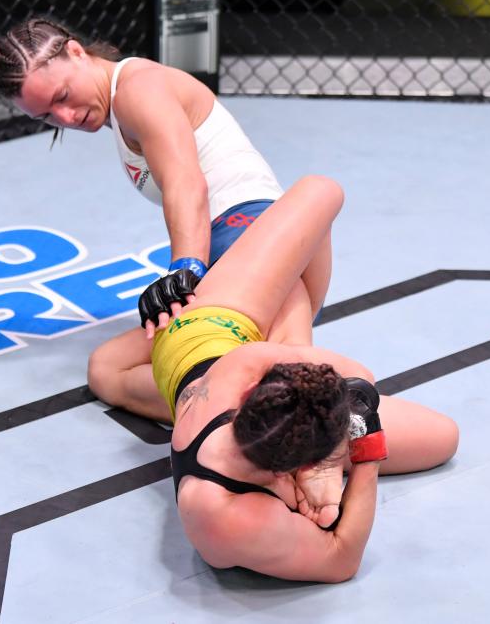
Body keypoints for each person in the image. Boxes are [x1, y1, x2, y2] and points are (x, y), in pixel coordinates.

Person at [0, 18, 328, 424]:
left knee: (291, 374)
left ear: (77, 52)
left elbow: (186, 182)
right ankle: (239, 408)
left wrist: (185, 267)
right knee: (107, 369)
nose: (66, 116)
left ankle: (306, 426)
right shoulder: (122, 101)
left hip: (255, 241)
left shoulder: (138, 90)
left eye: (63, 95)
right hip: (242, 253)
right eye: (46, 115)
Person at [150, 174, 459, 580]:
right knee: (443, 436)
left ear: (252, 393)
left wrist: (333, 460)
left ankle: (237, 249)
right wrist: (363, 457)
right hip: (218, 345)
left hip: (208, 335)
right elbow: (342, 560)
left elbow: (359, 379)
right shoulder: (227, 514)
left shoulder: (242, 370)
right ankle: (243, 244)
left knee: (310, 228)